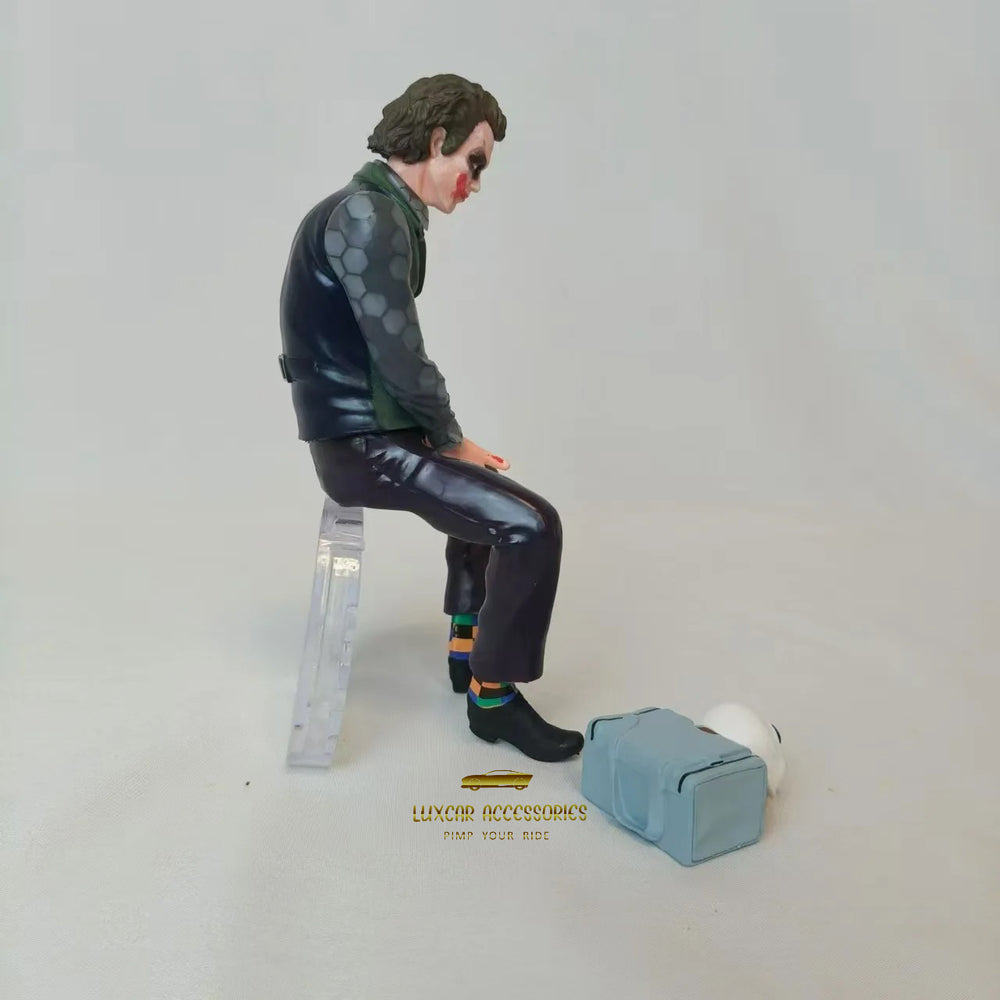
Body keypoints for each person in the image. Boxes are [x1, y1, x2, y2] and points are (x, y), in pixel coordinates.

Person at [278, 74, 583, 762]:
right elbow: (398, 352)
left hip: (373, 433)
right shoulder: (368, 215)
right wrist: (448, 437)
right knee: (532, 526)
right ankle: (493, 701)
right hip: (361, 445)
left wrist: (446, 442)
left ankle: (466, 648)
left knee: (487, 498)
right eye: (474, 161)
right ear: (438, 139)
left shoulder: (376, 210)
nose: (474, 182)